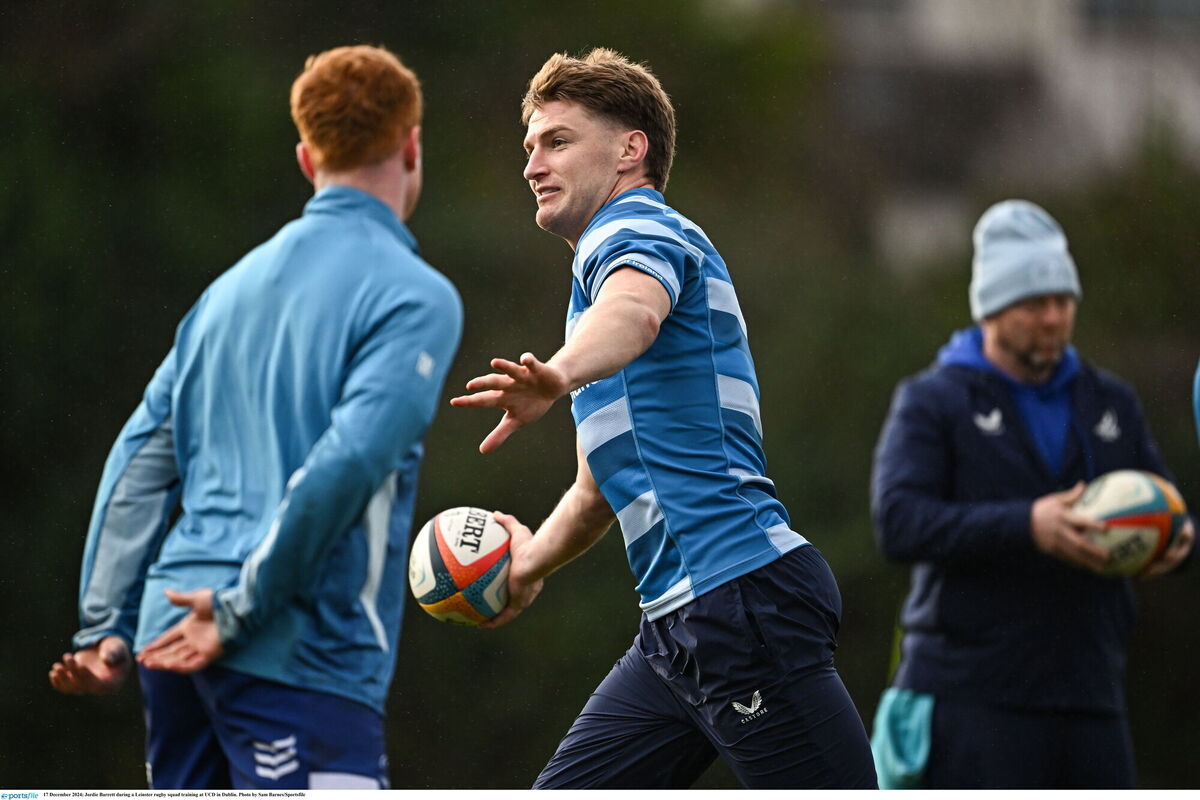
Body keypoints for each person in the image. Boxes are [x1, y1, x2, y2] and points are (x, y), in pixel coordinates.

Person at [450, 48, 876, 789]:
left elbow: (636, 312)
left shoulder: (635, 233)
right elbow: (597, 488)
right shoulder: (594, 285)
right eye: (529, 147)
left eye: (557, 141)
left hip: (741, 604)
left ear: (629, 149)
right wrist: (523, 566)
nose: (532, 165)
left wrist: (557, 374)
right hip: (677, 631)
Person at [48, 45, 462, 790]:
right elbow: (346, 464)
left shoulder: (223, 294)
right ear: (411, 145)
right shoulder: (416, 295)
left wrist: (104, 622)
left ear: (308, 158)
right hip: (294, 648)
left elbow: (139, 457)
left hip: (168, 637)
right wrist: (240, 609)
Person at [869, 199, 1195, 789]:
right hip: (973, 698)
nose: (1052, 317)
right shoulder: (935, 401)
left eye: (1062, 301)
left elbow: (1167, 505)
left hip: (1091, 695)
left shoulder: (1109, 402)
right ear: (992, 309)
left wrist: (1182, 538)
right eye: (1033, 304)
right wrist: (1028, 524)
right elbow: (898, 522)